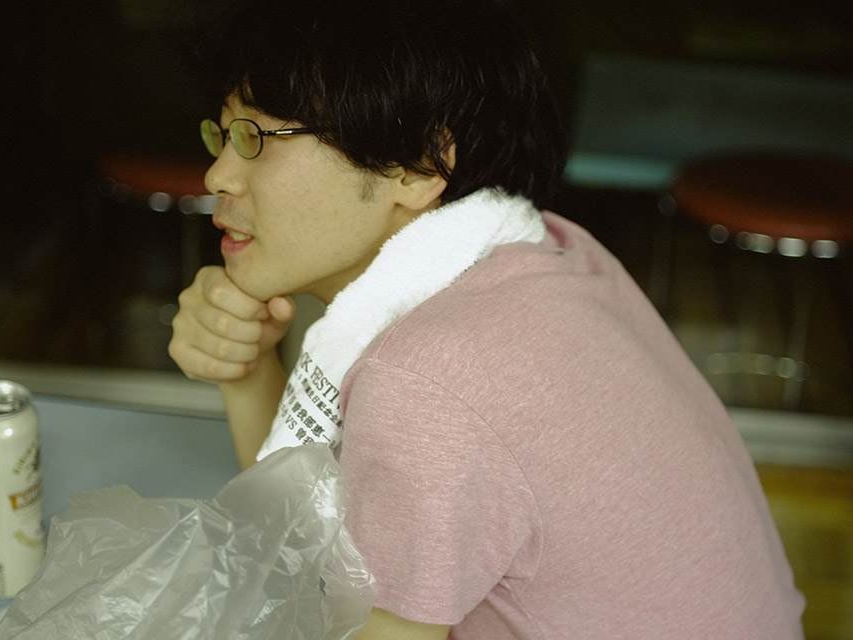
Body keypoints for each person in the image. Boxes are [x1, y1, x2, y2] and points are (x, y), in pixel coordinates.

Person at [168, 0, 806, 637]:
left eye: (256, 139)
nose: (217, 174)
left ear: (416, 164)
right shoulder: (554, 249)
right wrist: (245, 370)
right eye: (221, 135)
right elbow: (304, 532)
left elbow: (343, 610)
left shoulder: (424, 380)